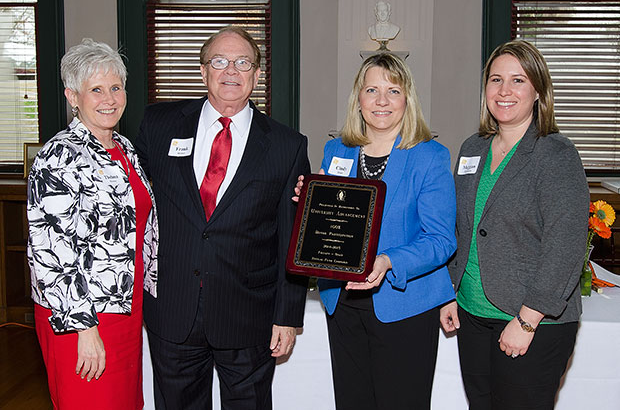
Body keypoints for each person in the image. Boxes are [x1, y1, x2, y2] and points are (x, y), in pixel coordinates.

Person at [135, 26, 310, 409]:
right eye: (219, 61)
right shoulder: (158, 125)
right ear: (203, 71)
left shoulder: (287, 145)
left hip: (249, 316)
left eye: (242, 62)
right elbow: (132, 206)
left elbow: (291, 236)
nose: (231, 71)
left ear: (257, 74)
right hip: (173, 311)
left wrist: (288, 314)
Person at [297, 52, 457, 409]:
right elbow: (330, 224)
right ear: (358, 98)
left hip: (405, 305)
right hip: (344, 302)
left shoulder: (429, 155)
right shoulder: (336, 150)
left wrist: (387, 260)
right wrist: (307, 203)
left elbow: (442, 239)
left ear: (407, 99)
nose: (381, 101)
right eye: (372, 90)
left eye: (393, 91)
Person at [440, 40, 589, 410]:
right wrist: (450, 291)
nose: (504, 91)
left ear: (538, 90)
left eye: (518, 80)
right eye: (495, 80)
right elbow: (463, 228)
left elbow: (565, 246)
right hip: (472, 315)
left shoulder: (556, 154)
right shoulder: (472, 149)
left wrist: (526, 321)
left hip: (533, 323)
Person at [27, 38, 158, 410]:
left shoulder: (124, 149)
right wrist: (84, 329)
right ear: (72, 96)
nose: (109, 98)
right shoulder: (59, 157)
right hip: (81, 316)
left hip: (125, 309)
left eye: (116, 88)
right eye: (96, 89)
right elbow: (51, 253)